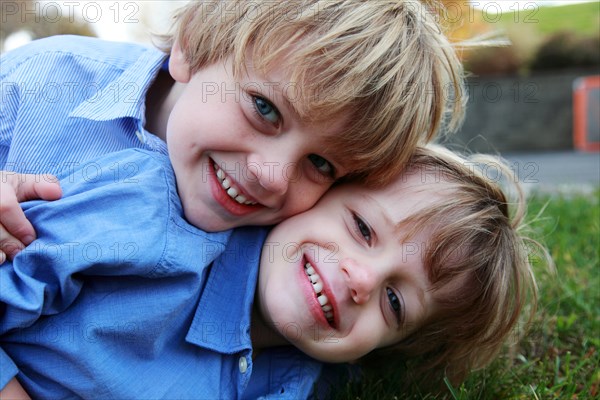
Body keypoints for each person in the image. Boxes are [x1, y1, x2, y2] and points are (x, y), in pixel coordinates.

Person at [1, 143, 541, 399]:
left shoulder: (296, 384)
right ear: (318, 191)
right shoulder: (147, 222)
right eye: (362, 229)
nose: (361, 279)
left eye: (395, 303)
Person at [0, 0, 466, 261]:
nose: (273, 177)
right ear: (193, 46)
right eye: (265, 109)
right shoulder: (42, 79)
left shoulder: (277, 246)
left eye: (320, 164)